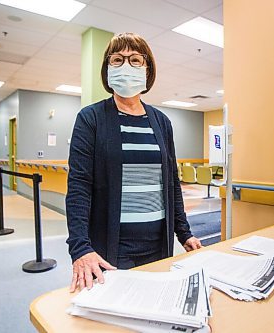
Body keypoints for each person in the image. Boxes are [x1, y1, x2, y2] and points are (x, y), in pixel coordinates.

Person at [66, 32, 202, 292]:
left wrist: (184, 233)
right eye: (117, 59)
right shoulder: (90, 119)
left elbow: (171, 183)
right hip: (111, 249)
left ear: (147, 69)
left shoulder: (161, 122)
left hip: (159, 245)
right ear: (107, 69)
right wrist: (80, 247)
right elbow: (78, 188)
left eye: (135, 60)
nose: (126, 66)